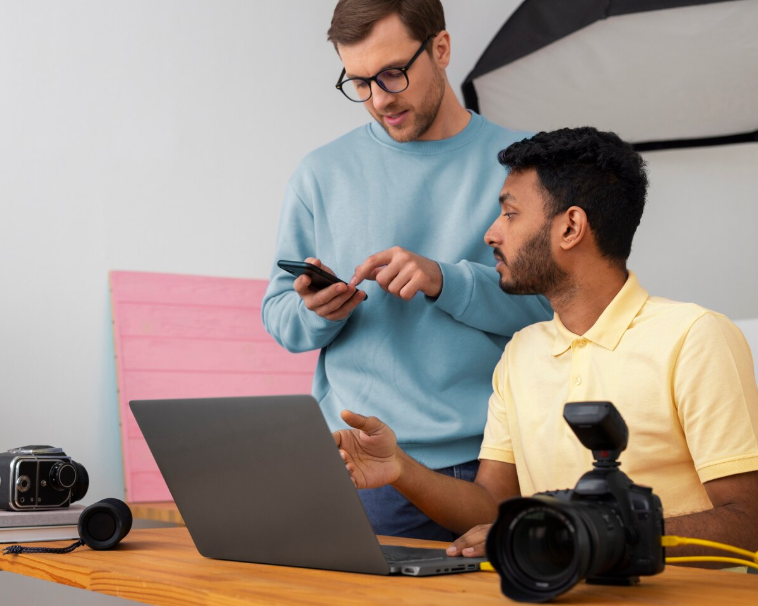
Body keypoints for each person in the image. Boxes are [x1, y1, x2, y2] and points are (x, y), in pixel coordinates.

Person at [333, 127, 758, 565]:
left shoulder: (695, 337)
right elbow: (491, 507)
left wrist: (584, 533)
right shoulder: (521, 353)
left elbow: (748, 522)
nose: (491, 234)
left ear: (570, 227)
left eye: (510, 214)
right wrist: (400, 469)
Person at [261, 0, 552, 540]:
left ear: (440, 49)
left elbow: (552, 310)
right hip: (345, 465)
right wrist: (318, 312)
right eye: (360, 82)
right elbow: (279, 316)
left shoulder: (521, 165)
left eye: (393, 74)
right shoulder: (320, 172)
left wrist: (448, 279)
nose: (379, 100)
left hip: (471, 470)